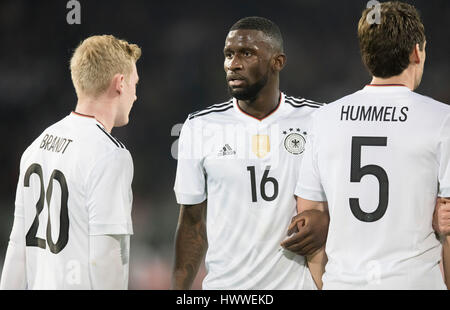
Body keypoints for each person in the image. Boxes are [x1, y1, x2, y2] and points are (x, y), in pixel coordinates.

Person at [294, 1, 450, 289]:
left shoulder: (323, 119)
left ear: (367, 57)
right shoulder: (442, 120)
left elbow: (309, 222)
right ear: (417, 51)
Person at [172, 16, 328, 289]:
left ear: (277, 62)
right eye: (228, 54)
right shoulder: (200, 126)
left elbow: (346, 199)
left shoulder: (317, 120)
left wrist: (326, 220)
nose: (233, 64)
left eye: (247, 53)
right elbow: (192, 224)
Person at [0, 35, 141, 289]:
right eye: (134, 85)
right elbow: (104, 257)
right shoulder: (110, 156)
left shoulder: (36, 146)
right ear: (120, 83)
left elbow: (17, 246)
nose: (135, 96)